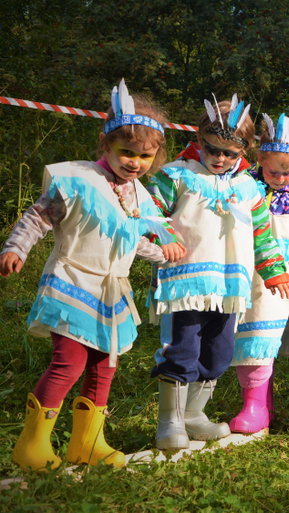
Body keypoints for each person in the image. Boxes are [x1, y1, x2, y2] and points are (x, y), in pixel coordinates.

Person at [1, 80, 183, 470]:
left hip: (111, 292)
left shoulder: (139, 195)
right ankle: (32, 445)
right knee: (69, 362)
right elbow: (38, 217)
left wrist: (164, 254)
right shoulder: (78, 181)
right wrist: (16, 248)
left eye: (145, 156)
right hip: (72, 281)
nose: (135, 162)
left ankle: (87, 443)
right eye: (126, 152)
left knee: (104, 365)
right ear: (105, 144)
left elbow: (131, 240)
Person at [147, 94, 289, 450]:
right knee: (182, 349)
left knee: (220, 352)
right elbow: (149, 213)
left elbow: (262, 233)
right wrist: (163, 237)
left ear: (244, 150)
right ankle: (170, 422)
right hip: (185, 284)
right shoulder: (176, 175)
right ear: (199, 139)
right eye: (212, 149)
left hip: (229, 287)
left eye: (230, 153)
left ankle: (194, 414)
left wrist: (274, 270)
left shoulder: (249, 187)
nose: (220, 158)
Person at [229, 113, 289, 434]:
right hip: (243, 273)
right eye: (274, 172)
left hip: (278, 281)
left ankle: (254, 407)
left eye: (288, 172)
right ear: (259, 159)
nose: (281, 179)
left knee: (261, 335)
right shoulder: (243, 186)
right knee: (243, 335)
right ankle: (261, 402)